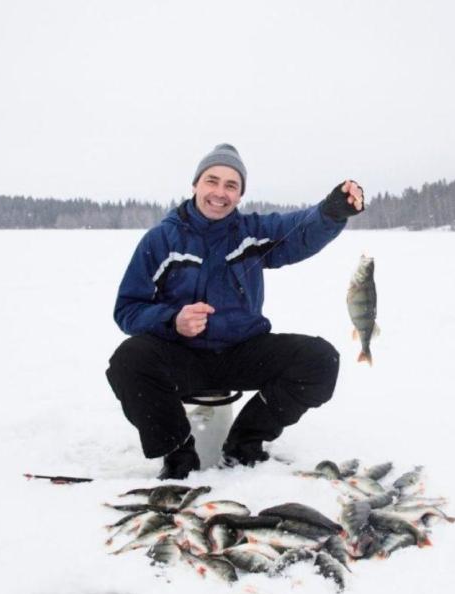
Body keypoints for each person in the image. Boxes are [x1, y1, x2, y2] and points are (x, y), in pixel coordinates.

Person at [106, 143, 365, 479]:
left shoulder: (252, 232)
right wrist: (173, 320)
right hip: (181, 354)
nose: (220, 192)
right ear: (196, 184)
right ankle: (177, 455)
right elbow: (128, 309)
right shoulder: (160, 240)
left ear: (240, 195)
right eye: (212, 181)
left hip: (242, 351)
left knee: (319, 360)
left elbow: (299, 230)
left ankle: (245, 443)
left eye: (231, 185)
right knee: (130, 360)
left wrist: (332, 211)